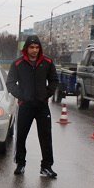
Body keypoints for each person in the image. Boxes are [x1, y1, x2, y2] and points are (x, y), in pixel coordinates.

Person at [7, 34, 59, 178]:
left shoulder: (47, 62)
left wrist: (46, 94)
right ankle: (20, 164)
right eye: (32, 47)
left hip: (42, 106)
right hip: (25, 106)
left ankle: (46, 167)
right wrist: (22, 96)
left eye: (37, 47)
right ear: (26, 48)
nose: (34, 50)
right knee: (21, 135)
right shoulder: (18, 64)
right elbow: (10, 83)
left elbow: (54, 80)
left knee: (46, 137)